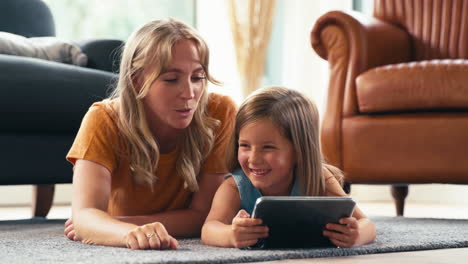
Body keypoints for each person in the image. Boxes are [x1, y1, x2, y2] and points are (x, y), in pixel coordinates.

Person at [63, 18, 237, 250]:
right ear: (136, 81)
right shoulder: (102, 119)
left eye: (198, 77)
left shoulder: (220, 112)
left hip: (120, 224)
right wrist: (122, 231)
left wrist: (116, 225)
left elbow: (205, 216)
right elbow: (84, 215)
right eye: (171, 79)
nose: (189, 93)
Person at [201, 86, 376, 248]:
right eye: (245, 146)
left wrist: (356, 235)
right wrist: (231, 235)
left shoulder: (318, 177)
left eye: (268, 147)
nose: (253, 159)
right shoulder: (234, 187)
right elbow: (209, 228)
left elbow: (366, 224)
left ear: (299, 151)